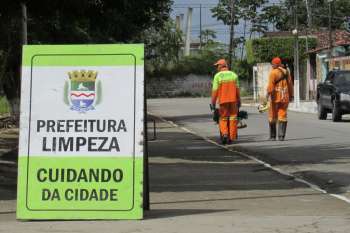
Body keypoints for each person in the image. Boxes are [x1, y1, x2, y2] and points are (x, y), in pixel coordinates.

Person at [211, 59, 240, 144]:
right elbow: (237, 90)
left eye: (217, 66)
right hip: (233, 101)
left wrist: (213, 102)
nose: (217, 68)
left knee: (223, 118)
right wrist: (239, 100)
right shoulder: (234, 75)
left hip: (223, 101)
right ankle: (232, 137)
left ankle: (224, 134)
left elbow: (215, 91)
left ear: (221, 66)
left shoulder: (218, 76)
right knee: (233, 118)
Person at [266, 57, 294, 141]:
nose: (271, 65)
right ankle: (281, 136)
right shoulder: (286, 72)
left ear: (275, 64)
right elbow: (290, 85)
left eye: (272, 64)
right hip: (285, 97)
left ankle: (273, 136)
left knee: (272, 116)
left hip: (275, 97)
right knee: (283, 115)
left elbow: (270, 86)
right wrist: (291, 95)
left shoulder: (273, 73)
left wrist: (267, 94)